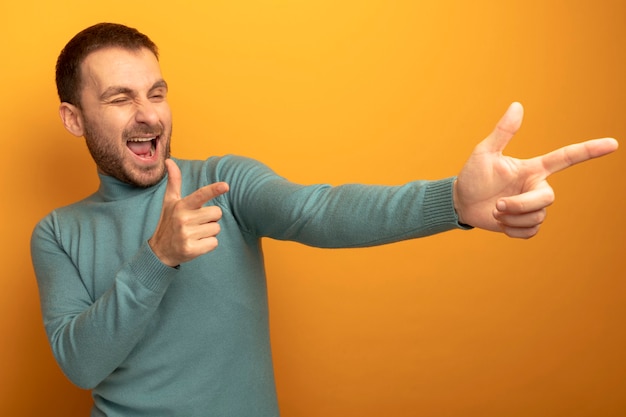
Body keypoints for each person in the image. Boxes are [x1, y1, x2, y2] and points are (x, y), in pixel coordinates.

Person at [30, 22, 617, 417]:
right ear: (74, 118)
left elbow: (321, 210)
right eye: (119, 98)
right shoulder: (57, 233)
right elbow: (80, 365)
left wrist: (453, 204)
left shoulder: (223, 183)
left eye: (156, 93)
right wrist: (157, 259)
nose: (147, 115)